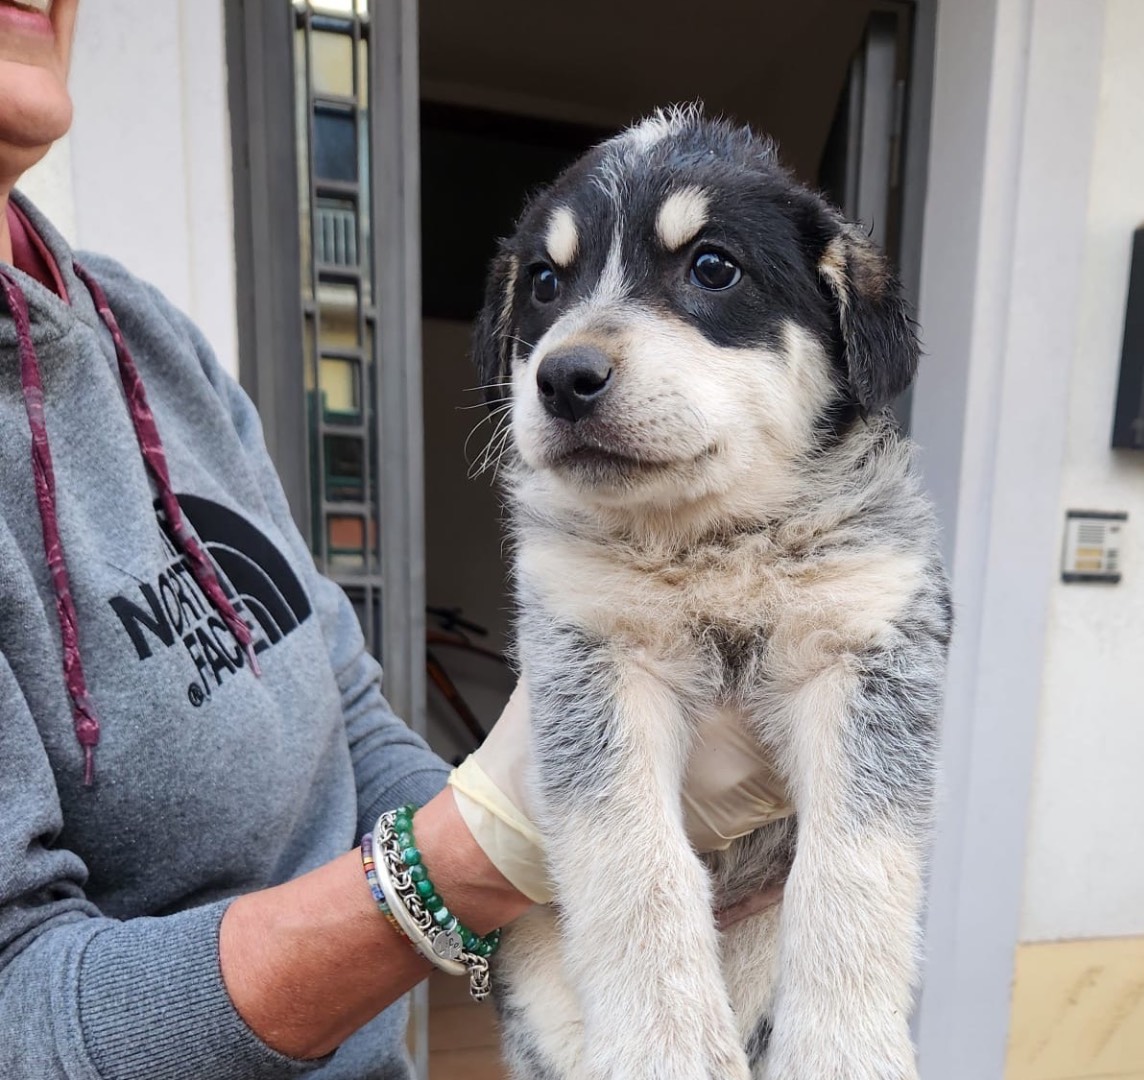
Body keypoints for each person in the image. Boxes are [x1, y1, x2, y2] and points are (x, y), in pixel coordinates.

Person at [0, 3, 790, 1077]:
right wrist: (480, 850)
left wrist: (617, 866)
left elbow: (350, 727)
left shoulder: (143, 336)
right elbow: (22, 1018)